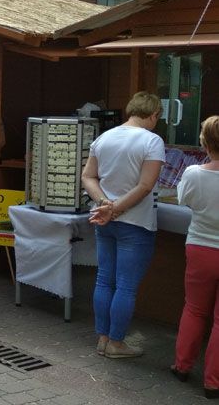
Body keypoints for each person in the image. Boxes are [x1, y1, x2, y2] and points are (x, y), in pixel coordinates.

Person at [83, 91, 165, 359]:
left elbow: (88, 176)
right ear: (153, 115)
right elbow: (145, 185)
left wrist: (105, 204)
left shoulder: (104, 137)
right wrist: (115, 208)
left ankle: (102, 338)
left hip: (104, 220)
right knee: (126, 286)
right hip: (136, 222)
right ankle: (116, 343)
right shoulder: (152, 141)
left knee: (104, 279)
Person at [171, 116, 219, 398]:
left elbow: (183, 201)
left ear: (204, 141)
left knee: (194, 309)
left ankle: (182, 366)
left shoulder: (193, 173)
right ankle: (213, 382)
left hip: (200, 247)